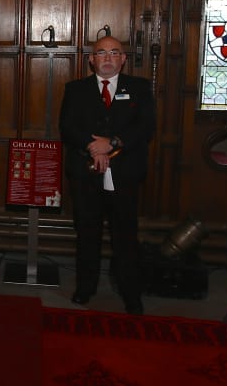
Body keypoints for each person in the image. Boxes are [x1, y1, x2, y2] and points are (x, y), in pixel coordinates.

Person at [59, 35, 156, 314]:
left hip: (125, 175)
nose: (108, 58)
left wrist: (112, 143)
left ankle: (130, 293)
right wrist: (93, 147)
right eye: (101, 53)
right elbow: (67, 127)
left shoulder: (139, 88)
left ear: (123, 59)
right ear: (92, 59)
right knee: (87, 234)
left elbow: (145, 127)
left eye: (115, 52)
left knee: (125, 236)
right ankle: (85, 288)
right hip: (85, 174)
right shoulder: (75, 89)